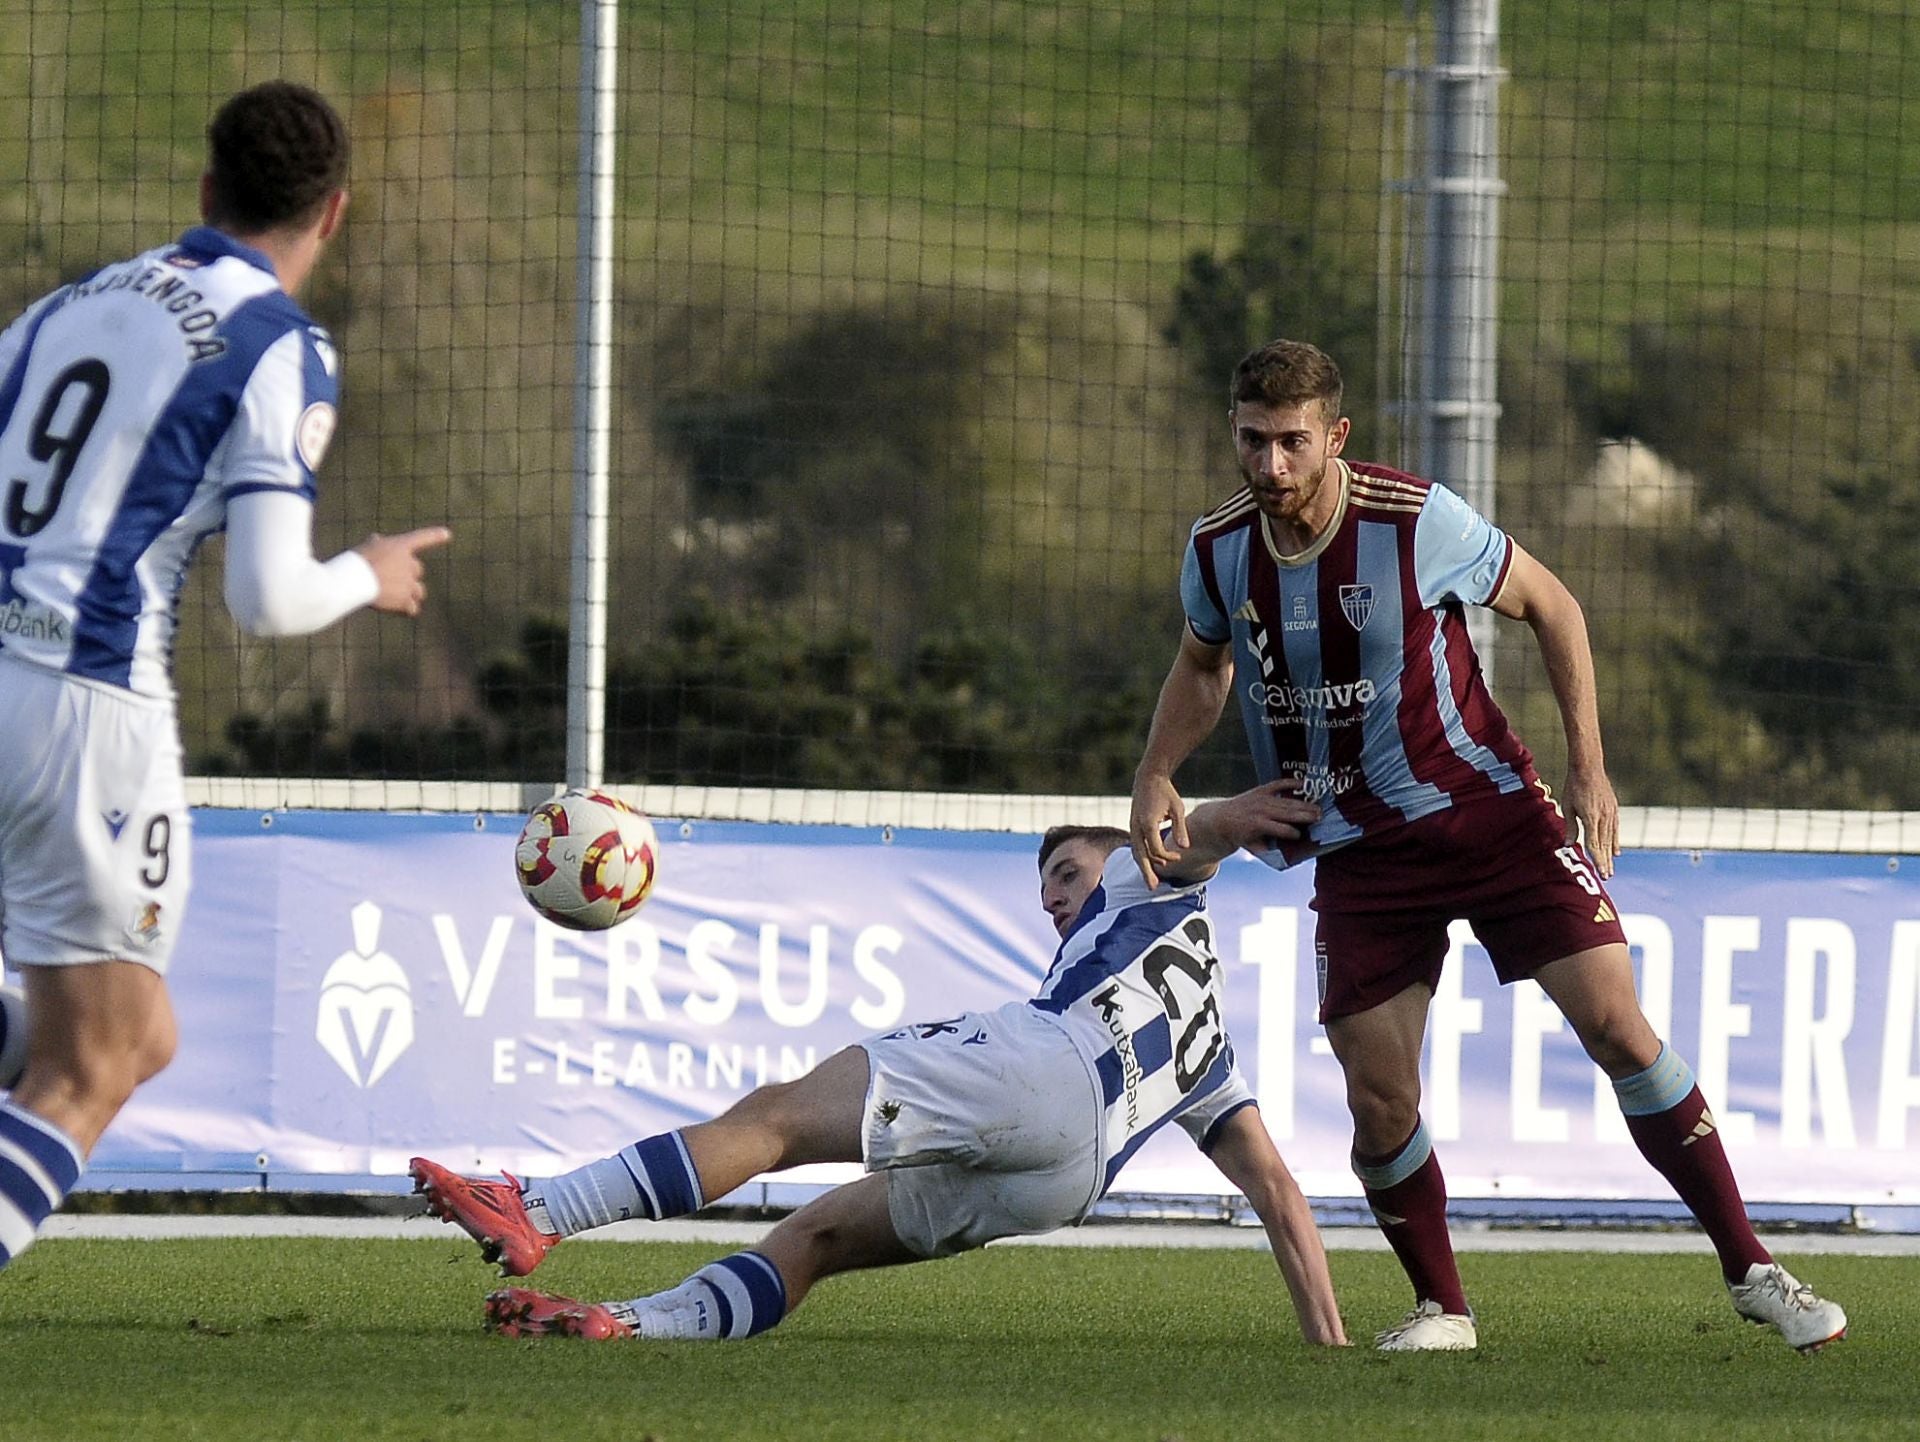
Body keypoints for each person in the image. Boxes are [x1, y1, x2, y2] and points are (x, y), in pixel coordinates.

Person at [1128, 338, 1846, 1355]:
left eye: (1292, 442)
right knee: (1379, 1098)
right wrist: (1157, 769)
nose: (1271, 464)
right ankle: (1444, 1307)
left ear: (1335, 436)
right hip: (1362, 847)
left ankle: (1752, 1266)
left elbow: (1556, 604)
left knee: (1615, 1024)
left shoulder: (1417, 519)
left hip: (1492, 814)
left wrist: (1590, 768)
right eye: (1253, 440)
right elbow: (1203, 667)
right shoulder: (1216, 548)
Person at [0, 81, 450, 1270]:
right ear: (336, 213)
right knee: (96, 1062)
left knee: (134, 1036)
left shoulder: (65, 306)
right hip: (83, 700)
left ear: (207, 191)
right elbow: (267, 599)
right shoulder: (276, 346)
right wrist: (369, 570)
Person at [410, 784, 1348, 1345]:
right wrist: (1331, 1352)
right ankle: (630, 1323)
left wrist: (1238, 812)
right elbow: (1278, 1193)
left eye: (1067, 874)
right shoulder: (1211, 1049)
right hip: (1070, 1181)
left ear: (1117, 860)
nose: (1056, 899)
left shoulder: (1142, 877)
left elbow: (1204, 832)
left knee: (776, 1118)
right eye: (1047, 887)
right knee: (813, 1239)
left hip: (1046, 1061)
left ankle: (538, 1211)